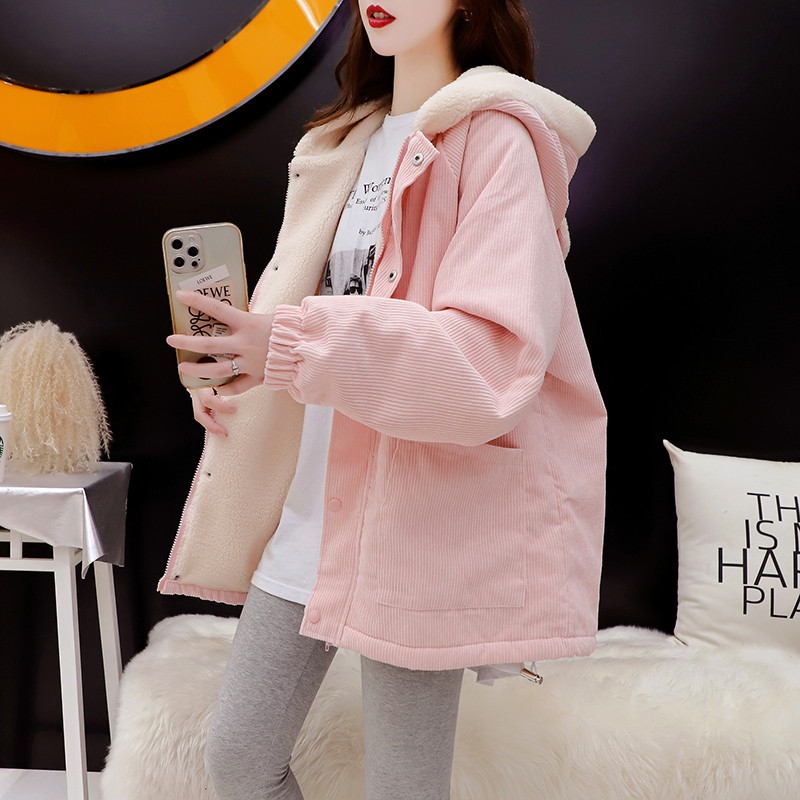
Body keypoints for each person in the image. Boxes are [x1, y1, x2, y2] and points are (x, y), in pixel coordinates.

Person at [162, 0, 606, 797]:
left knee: (404, 786)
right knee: (237, 758)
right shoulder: (340, 143)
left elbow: (489, 357)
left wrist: (287, 345)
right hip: (308, 509)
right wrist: (244, 376)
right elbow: (300, 311)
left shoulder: (497, 139)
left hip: (415, 520)